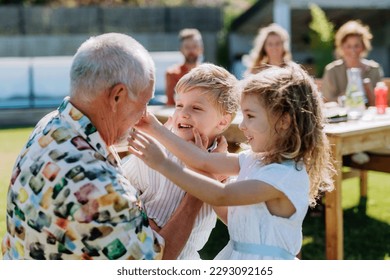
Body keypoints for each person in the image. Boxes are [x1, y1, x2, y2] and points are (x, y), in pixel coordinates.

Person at [1, 33, 202, 260]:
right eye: (144, 103)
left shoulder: (48, 125)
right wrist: (197, 191)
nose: (145, 114)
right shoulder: (101, 189)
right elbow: (157, 263)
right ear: (117, 96)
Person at [127, 63, 335, 260]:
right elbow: (203, 161)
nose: (242, 126)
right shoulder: (254, 160)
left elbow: (221, 195)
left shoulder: (284, 175)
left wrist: (163, 163)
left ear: (284, 121)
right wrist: (154, 128)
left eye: (250, 116)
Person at [122, 63, 240, 259]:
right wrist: (141, 218)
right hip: (141, 250)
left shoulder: (223, 166)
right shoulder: (155, 150)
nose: (183, 113)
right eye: (179, 105)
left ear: (222, 122)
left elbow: (235, 220)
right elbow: (122, 184)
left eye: (196, 107)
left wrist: (211, 175)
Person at [321, 20, 384, 104]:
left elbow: (379, 102)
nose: (353, 51)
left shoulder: (374, 69)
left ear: (363, 46)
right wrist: (347, 96)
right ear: (342, 47)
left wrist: (368, 88)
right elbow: (326, 101)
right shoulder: (332, 70)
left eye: (357, 46)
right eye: (348, 46)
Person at [165, 28, 204, 105]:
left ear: (201, 49)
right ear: (181, 50)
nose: (191, 51)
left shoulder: (209, 74)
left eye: (195, 46)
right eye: (187, 47)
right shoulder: (172, 73)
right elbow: (171, 103)